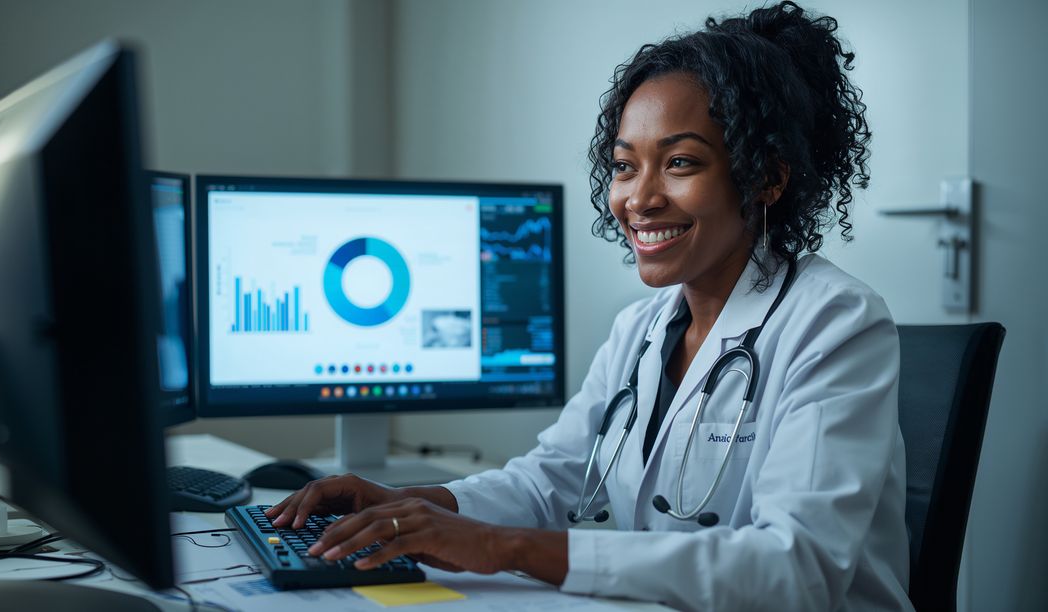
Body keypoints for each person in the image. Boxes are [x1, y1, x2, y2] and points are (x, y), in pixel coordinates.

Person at [266, 2, 911, 609]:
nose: (640, 198)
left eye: (680, 162)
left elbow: (797, 569)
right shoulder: (641, 329)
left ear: (768, 177)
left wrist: (502, 547)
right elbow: (554, 481)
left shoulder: (835, 321)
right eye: (626, 166)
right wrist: (415, 502)